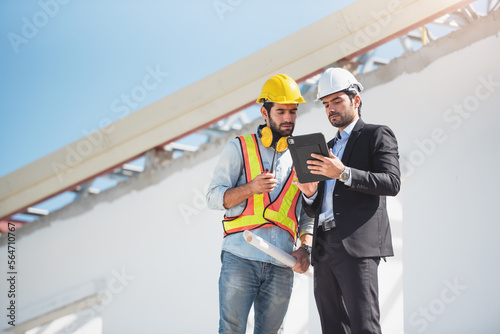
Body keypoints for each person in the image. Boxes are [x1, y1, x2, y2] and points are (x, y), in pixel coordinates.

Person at [295, 67, 401, 334]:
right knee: (332, 328)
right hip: (324, 247)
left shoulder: (376, 135)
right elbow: (320, 205)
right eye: (326, 104)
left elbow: (391, 182)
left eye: (337, 101)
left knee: (364, 326)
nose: (331, 109)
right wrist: (309, 194)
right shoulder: (325, 147)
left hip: (356, 245)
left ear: (356, 100)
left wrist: (343, 173)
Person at [206, 73, 314, 334]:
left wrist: (305, 249)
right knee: (231, 330)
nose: (288, 118)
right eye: (280, 112)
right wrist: (251, 188)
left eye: (293, 112)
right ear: (265, 113)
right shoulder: (239, 147)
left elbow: (309, 210)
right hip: (240, 256)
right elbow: (213, 198)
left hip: (281, 262)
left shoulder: (303, 154)